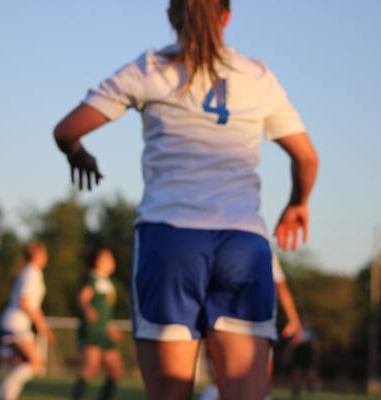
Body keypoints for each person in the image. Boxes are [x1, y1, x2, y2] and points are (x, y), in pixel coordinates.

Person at [53, 0, 319, 398]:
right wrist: (298, 203)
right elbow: (306, 157)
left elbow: (67, 130)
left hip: (170, 240)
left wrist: (77, 153)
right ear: (227, 17)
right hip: (242, 245)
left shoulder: (151, 69)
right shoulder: (258, 76)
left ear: (171, 16)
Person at [198, 252, 304, 400]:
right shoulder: (262, 247)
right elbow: (281, 287)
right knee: (259, 379)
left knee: (222, 375)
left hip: (220, 315)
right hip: (254, 320)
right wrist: (294, 320)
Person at [0, 242, 54, 400]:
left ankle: (7, 395)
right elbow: (25, 301)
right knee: (36, 364)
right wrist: (40, 324)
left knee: (22, 364)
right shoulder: (33, 273)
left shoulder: (28, 272)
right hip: (16, 324)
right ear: (37, 256)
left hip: (12, 323)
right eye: (44, 254)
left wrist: (42, 323)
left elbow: (33, 304)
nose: (46, 257)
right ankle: (3, 390)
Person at [71, 248, 124, 400]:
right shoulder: (91, 279)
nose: (112, 261)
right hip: (92, 331)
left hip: (104, 332)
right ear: (97, 261)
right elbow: (82, 298)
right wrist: (88, 310)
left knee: (116, 370)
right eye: (108, 257)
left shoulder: (107, 283)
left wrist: (110, 327)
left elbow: (104, 312)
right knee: (89, 368)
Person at [289, 318, 320, 399]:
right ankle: (295, 391)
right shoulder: (297, 331)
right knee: (297, 374)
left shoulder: (311, 332)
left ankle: (312, 387)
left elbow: (315, 345)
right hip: (299, 355)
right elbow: (292, 344)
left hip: (307, 355)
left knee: (310, 373)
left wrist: (316, 355)